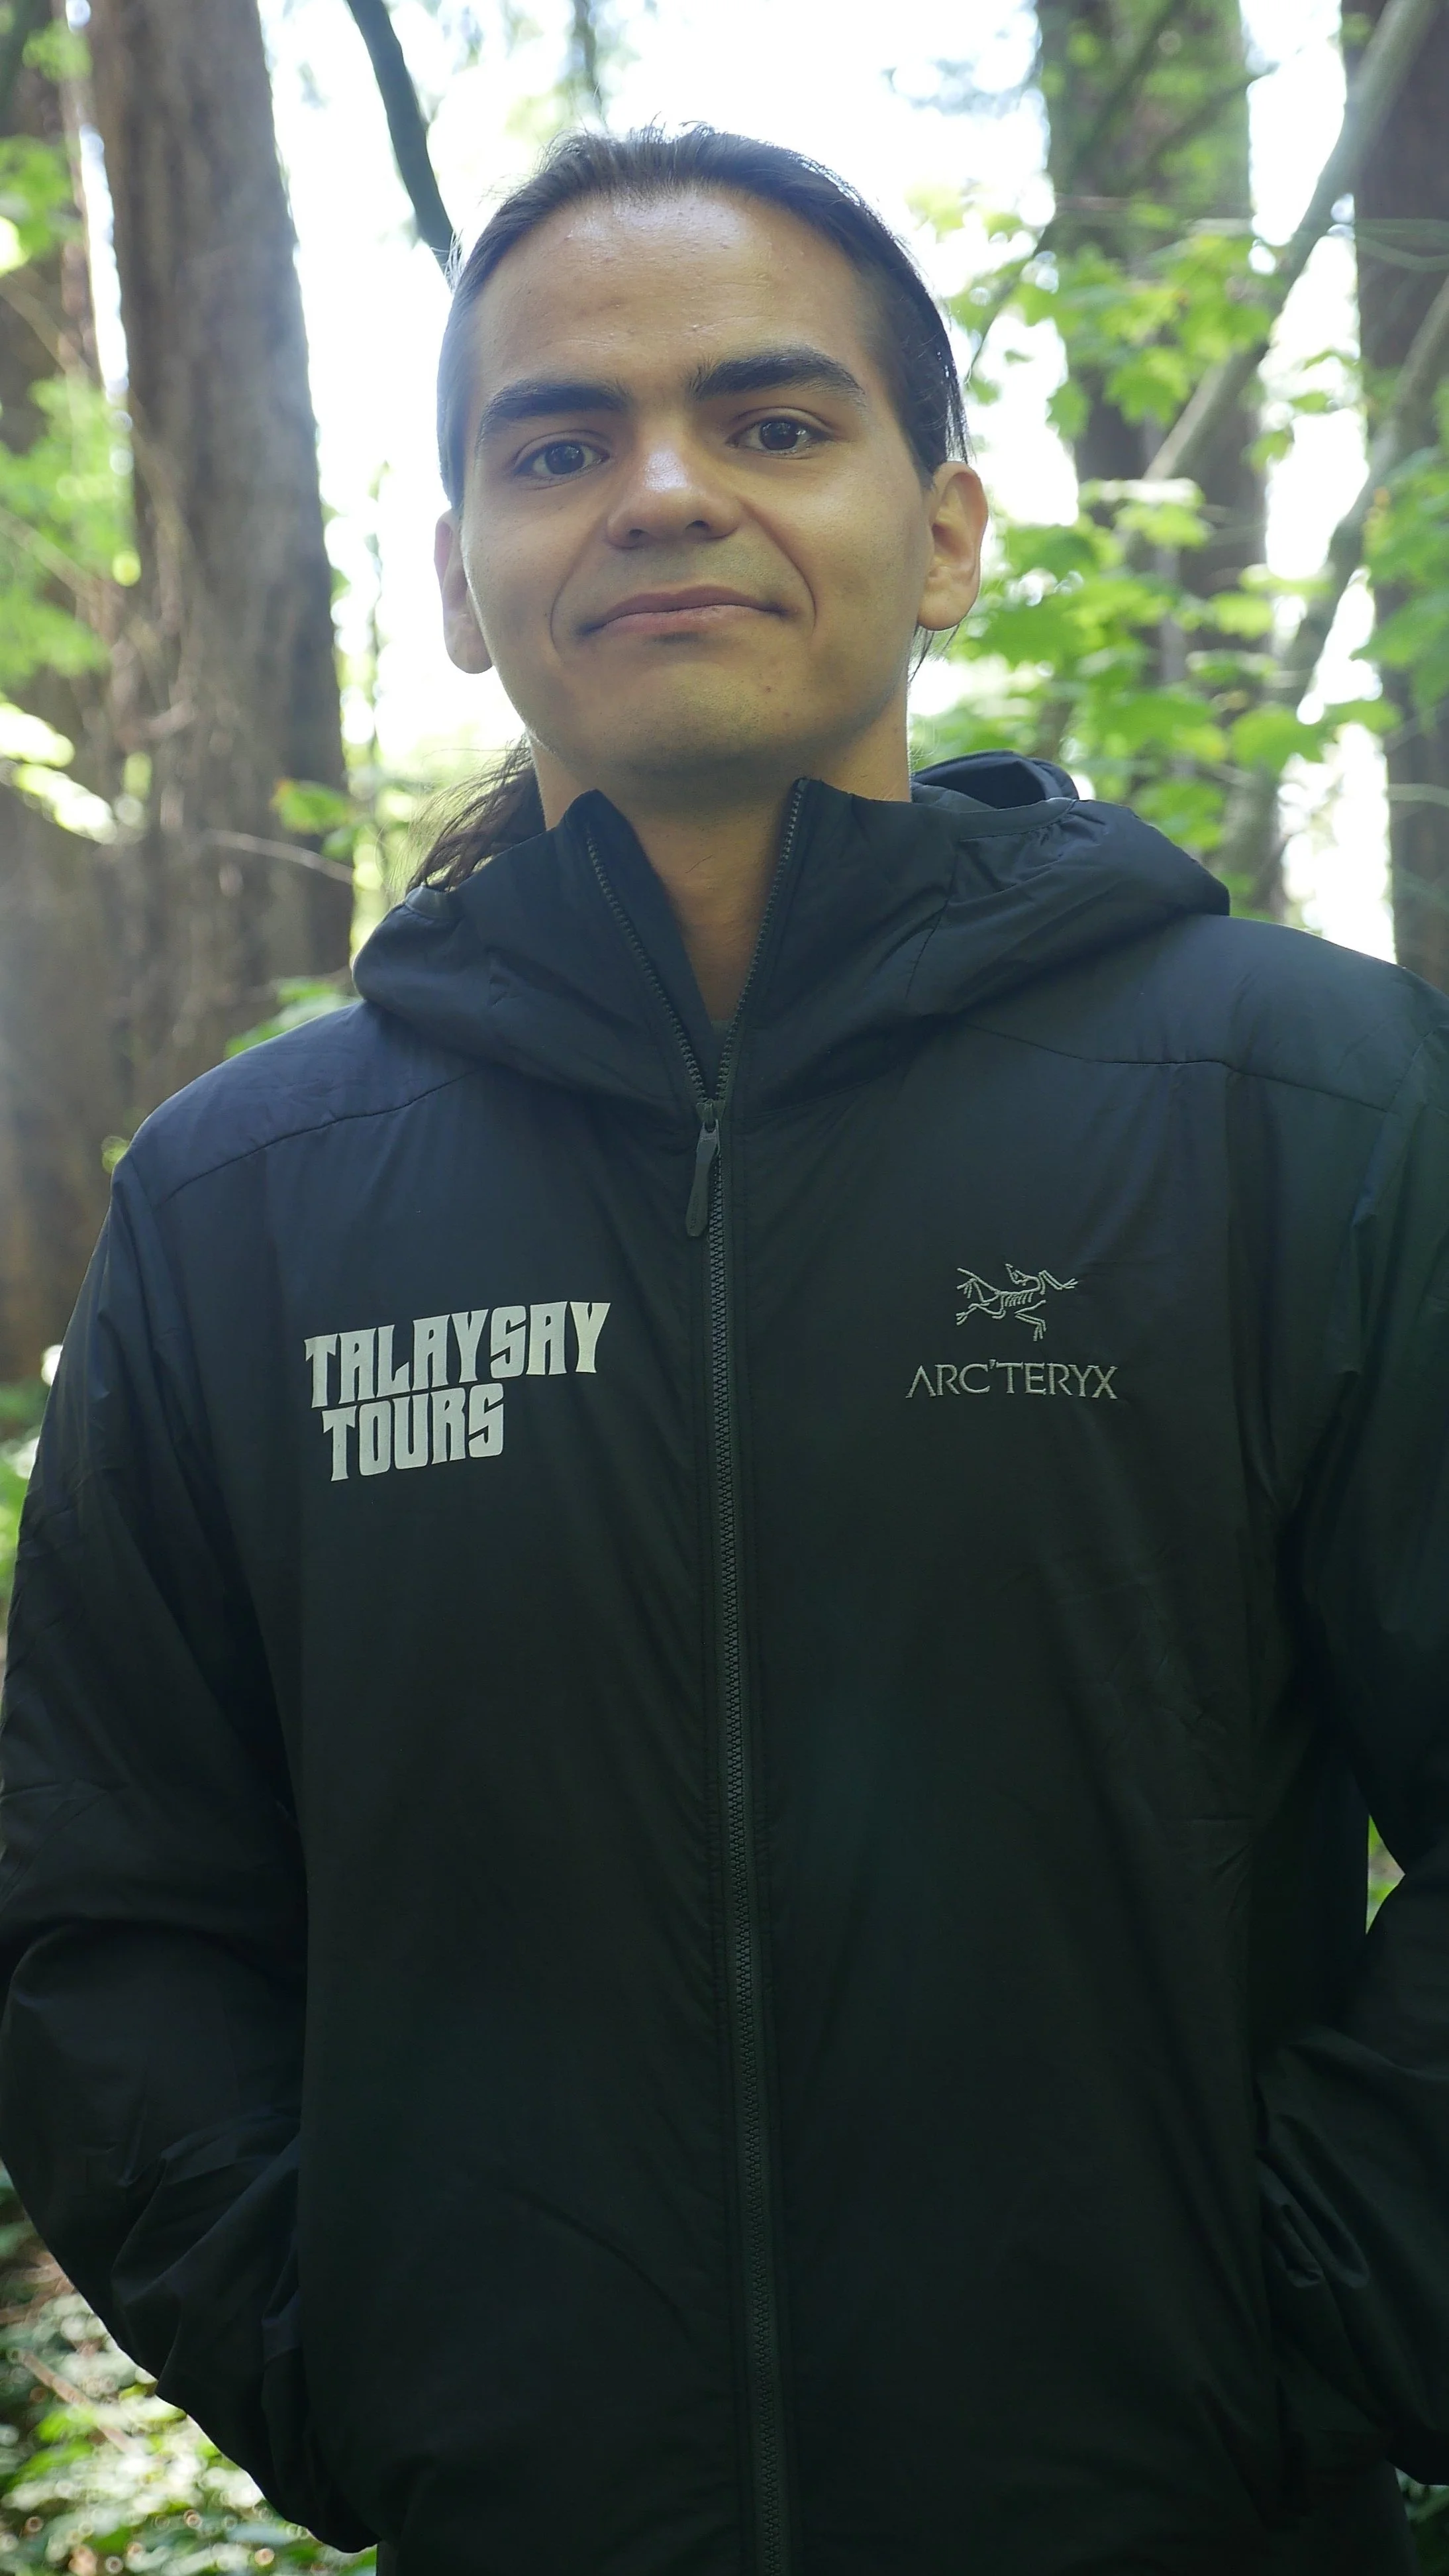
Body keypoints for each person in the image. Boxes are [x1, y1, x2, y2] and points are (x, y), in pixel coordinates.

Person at [0, 123, 1445, 2576]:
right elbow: (108, 1910)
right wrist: (355, 2366)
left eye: (771, 421)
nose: (662, 493)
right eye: (558, 444)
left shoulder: (1303, 1107)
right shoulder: (246, 1206)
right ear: (462, 579)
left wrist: (1296, 2330)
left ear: (945, 531)